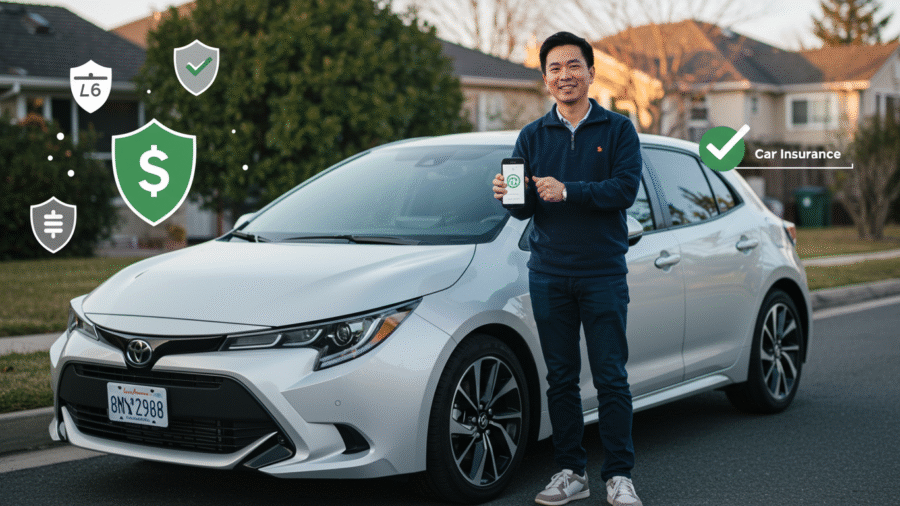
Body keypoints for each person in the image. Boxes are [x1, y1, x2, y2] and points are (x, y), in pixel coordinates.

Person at [492, 32, 643, 506]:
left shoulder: (618, 130)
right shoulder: (532, 136)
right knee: (560, 378)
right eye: (555, 68)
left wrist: (570, 190)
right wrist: (505, 193)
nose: (565, 75)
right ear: (545, 79)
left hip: (602, 272)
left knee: (610, 376)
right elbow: (521, 209)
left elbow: (624, 191)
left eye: (573, 66)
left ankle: (618, 476)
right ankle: (570, 473)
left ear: (591, 72)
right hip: (549, 273)